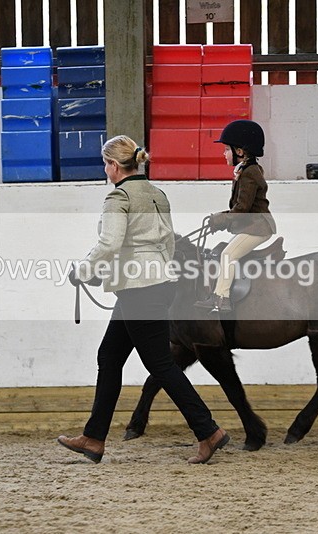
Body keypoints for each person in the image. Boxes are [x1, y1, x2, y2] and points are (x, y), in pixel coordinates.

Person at [58, 135, 229, 464]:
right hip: (158, 284)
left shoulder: (117, 198)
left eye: (105, 164)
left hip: (138, 289)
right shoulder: (157, 193)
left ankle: (208, 431)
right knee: (109, 357)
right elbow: (167, 244)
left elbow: (109, 244)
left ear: (113, 165)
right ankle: (94, 438)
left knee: (160, 364)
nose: (105, 170)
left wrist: (83, 271)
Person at [194, 120, 276, 313]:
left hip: (258, 227)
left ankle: (221, 299)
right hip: (252, 225)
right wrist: (220, 220)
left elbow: (242, 209)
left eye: (226, 150)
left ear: (240, 151)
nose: (223, 154)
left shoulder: (249, 173)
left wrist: (221, 219)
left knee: (228, 255)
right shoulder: (245, 170)